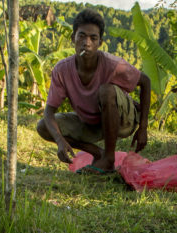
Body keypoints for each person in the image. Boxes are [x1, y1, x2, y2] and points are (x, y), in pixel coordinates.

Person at [37, 9, 150, 175]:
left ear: (100, 43)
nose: (86, 42)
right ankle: (98, 153)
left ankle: (109, 159)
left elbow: (145, 81)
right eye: (81, 36)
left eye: (93, 38)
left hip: (122, 121)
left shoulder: (113, 64)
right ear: (73, 38)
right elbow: (49, 111)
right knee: (43, 127)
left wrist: (143, 128)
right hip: (90, 123)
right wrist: (60, 141)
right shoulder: (62, 70)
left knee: (107, 90)